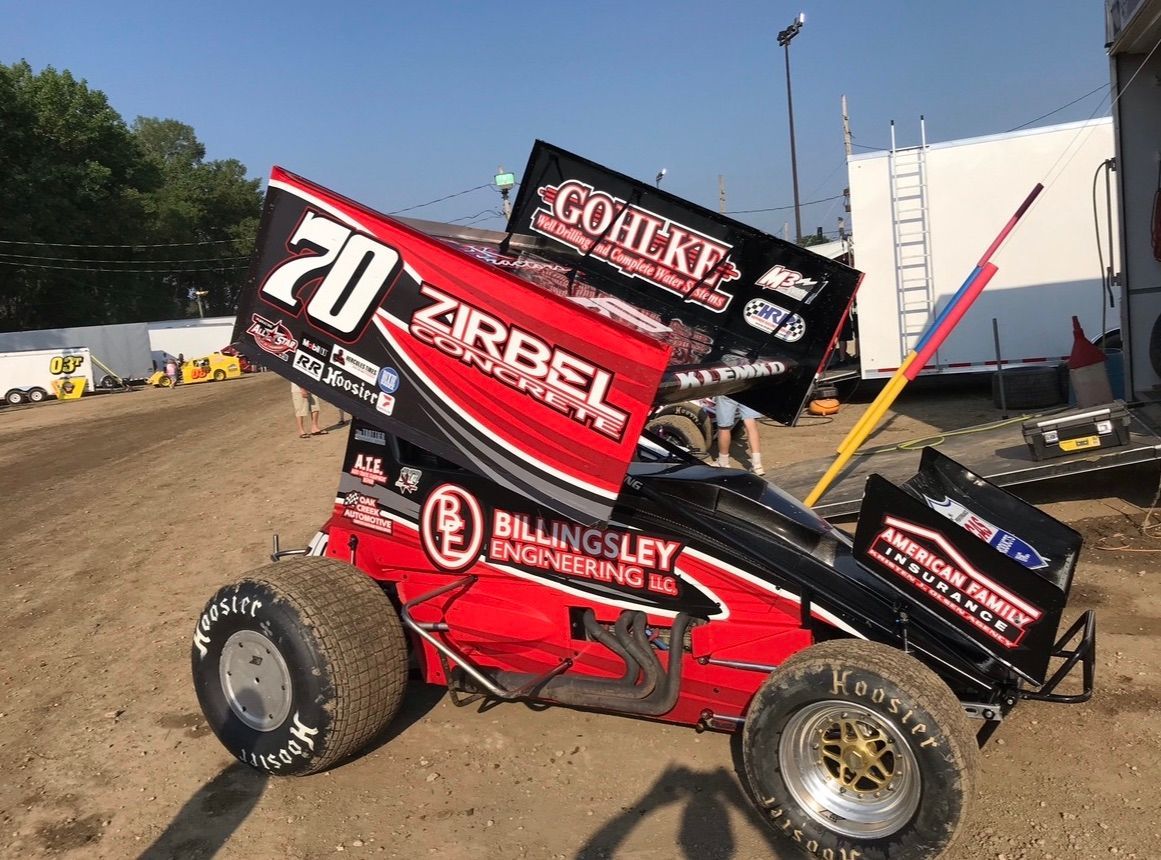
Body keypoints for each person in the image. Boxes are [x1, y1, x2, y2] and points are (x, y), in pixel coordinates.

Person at [714, 396, 764, 476]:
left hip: (727, 390)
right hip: (744, 387)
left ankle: (723, 462)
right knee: (751, 424)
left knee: (724, 427)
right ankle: (757, 465)